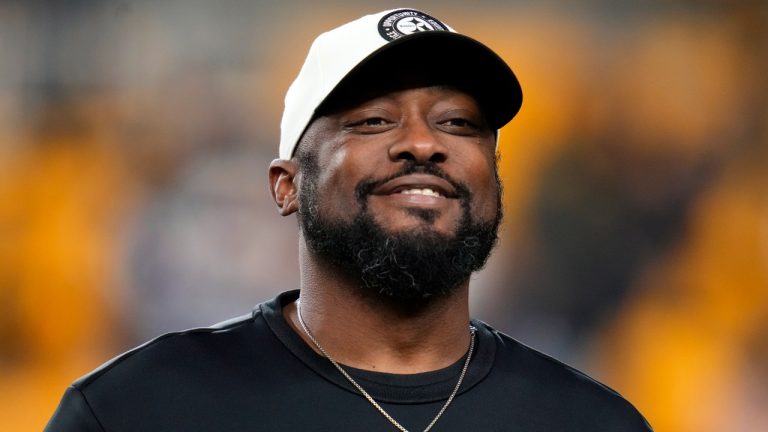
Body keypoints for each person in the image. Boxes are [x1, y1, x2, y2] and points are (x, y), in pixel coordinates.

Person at [45, 8, 653, 431]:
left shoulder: (593, 423)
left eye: (458, 123)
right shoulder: (136, 411)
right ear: (287, 186)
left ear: (493, 180)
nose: (424, 143)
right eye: (374, 121)